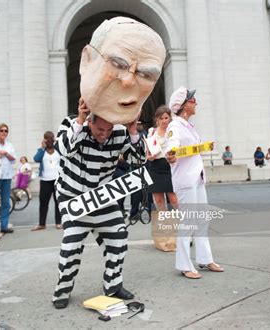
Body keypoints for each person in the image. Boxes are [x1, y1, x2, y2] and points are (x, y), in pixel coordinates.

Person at [51, 16, 165, 309]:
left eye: (106, 129)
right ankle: (62, 292)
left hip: (102, 201)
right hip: (76, 200)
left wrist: (132, 131)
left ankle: (113, 286)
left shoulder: (117, 132)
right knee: (70, 249)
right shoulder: (72, 125)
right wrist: (78, 121)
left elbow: (140, 160)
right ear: (91, 120)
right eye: (99, 128)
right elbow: (63, 150)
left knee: (118, 238)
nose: (103, 133)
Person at [166, 86, 224, 279]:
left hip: (196, 178)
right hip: (185, 181)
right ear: (183, 106)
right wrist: (171, 154)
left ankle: (205, 258)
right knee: (188, 221)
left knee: (202, 220)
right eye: (192, 100)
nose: (196, 102)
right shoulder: (175, 126)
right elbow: (172, 146)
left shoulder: (188, 125)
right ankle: (184, 264)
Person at [146, 105, 178, 212]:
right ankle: (164, 225)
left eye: (166, 118)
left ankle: (184, 222)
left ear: (170, 118)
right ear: (157, 119)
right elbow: (148, 152)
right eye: (161, 118)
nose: (164, 121)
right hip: (155, 167)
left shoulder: (173, 131)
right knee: (158, 200)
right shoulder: (151, 131)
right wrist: (149, 157)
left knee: (174, 199)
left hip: (170, 166)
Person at [32, 131, 61, 231]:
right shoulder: (42, 151)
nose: (49, 141)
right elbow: (36, 159)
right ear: (44, 140)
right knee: (43, 203)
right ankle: (42, 224)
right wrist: (41, 147)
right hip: (45, 180)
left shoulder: (58, 150)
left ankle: (58, 223)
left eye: (50, 139)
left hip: (57, 180)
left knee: (58, 202)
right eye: (47, 139)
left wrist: (58, 141)